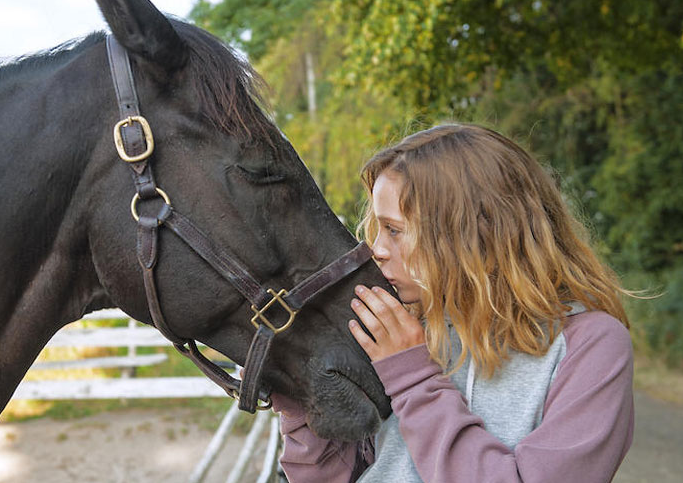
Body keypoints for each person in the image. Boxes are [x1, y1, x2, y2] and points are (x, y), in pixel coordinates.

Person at [272, 124, 635, 482]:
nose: (376, 250)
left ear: (475, 234)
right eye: (378, 230)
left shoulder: (591, 345)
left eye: (394, 230)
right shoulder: (402, 330)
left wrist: (413, 378)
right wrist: (299, 397)